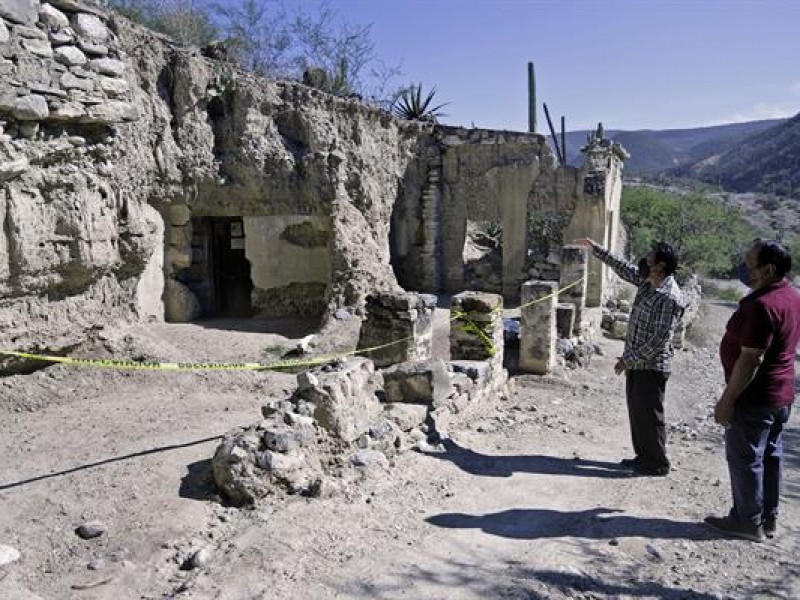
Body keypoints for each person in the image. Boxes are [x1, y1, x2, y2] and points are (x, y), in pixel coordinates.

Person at [705, 239, 800, 542]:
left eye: (750, 262)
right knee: (770, 455)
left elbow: (751, 358)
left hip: (755, 396)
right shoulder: (791, 296)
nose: (746, 266)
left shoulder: (762, 305)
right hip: (781, 394)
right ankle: (767, 518)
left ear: (768, 269)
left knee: (746, 457)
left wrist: (727, 400)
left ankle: (746, 521)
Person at [576, 238, 684, 476]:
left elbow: (659, 340)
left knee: (650, 414)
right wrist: (596, 249)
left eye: (651, 257)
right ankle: (643, 457)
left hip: (652, 365)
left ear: (661, 265)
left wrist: (629, 359)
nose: (646, 259)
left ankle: (657, 463)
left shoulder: (669, 297)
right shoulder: (648, 282)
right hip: (637, 362)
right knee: (638, 412)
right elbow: (623, 267)